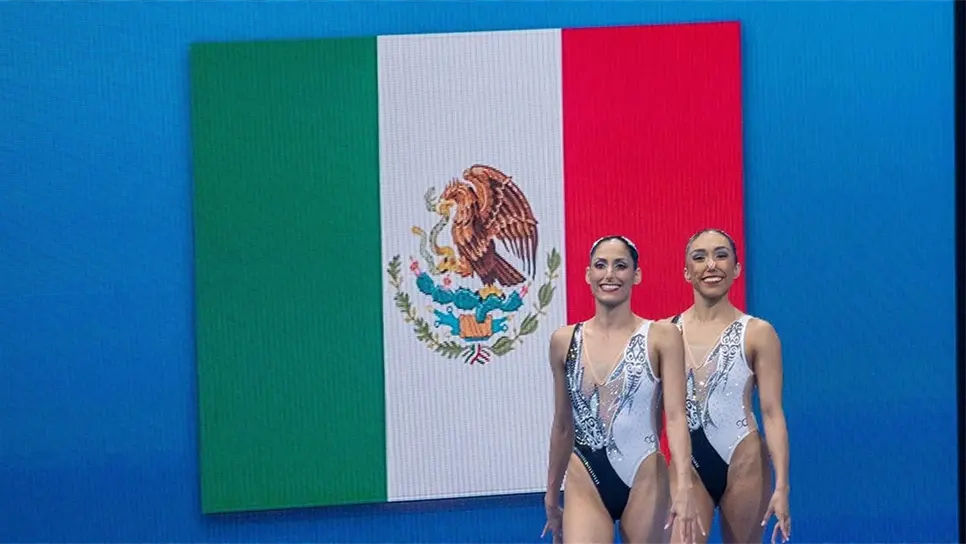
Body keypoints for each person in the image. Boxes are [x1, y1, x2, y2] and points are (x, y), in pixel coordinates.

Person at [541, 235, 703, 544]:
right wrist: (551, 494)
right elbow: (562, 425)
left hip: (644, 475)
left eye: (620, 266)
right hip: (584, 476)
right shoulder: (563, 341)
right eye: (600, 265)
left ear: (636, 275)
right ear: (588, 274)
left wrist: (683, 486)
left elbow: (675, 417)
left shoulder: (663, 337)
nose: (610, 275)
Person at [664, 228, 791, 544]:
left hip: (745, 463)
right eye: (700, 257)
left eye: (721, 256)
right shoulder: (664, 334)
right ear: (686, 272)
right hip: (687, 467)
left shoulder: (759, 333)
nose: (711, 265)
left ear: (736, 269)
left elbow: (772, 412)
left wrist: (782, 486)